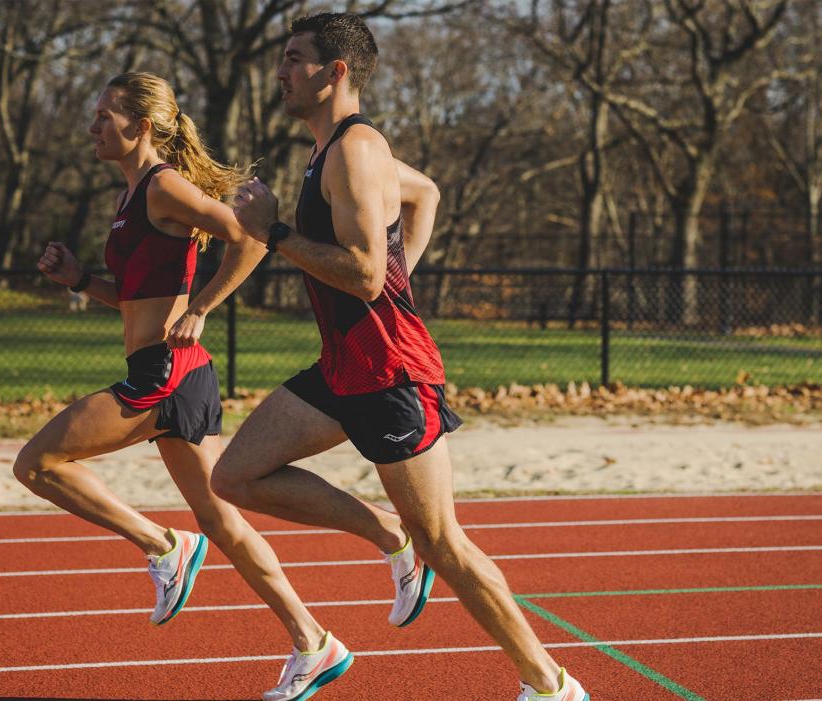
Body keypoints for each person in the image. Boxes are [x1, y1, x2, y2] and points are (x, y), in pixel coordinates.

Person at [211, 13, 590, 701]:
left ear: (335, 73)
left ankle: (552, 683)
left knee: (444, 542)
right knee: (234, 474)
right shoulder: (331, 151)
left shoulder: (356, 149)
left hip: (389, 373)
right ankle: (387, 534)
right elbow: (425, 195)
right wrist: (398, 275)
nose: (280, 71)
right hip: (342, 365)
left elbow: (361, 275)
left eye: (294, 59)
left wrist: (276, 233)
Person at [12, 71, 356, 701]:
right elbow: (139, 298)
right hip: (177, 373)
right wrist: (80, 279)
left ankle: (162, 544)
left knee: (36, 464)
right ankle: (314, 641)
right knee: (225, 523)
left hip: (164, 376)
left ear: (140, 126)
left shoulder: (163, 186)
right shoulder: (133, 195)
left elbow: (250, 238)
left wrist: (203, 307)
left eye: (102, 117)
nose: (91, 127)